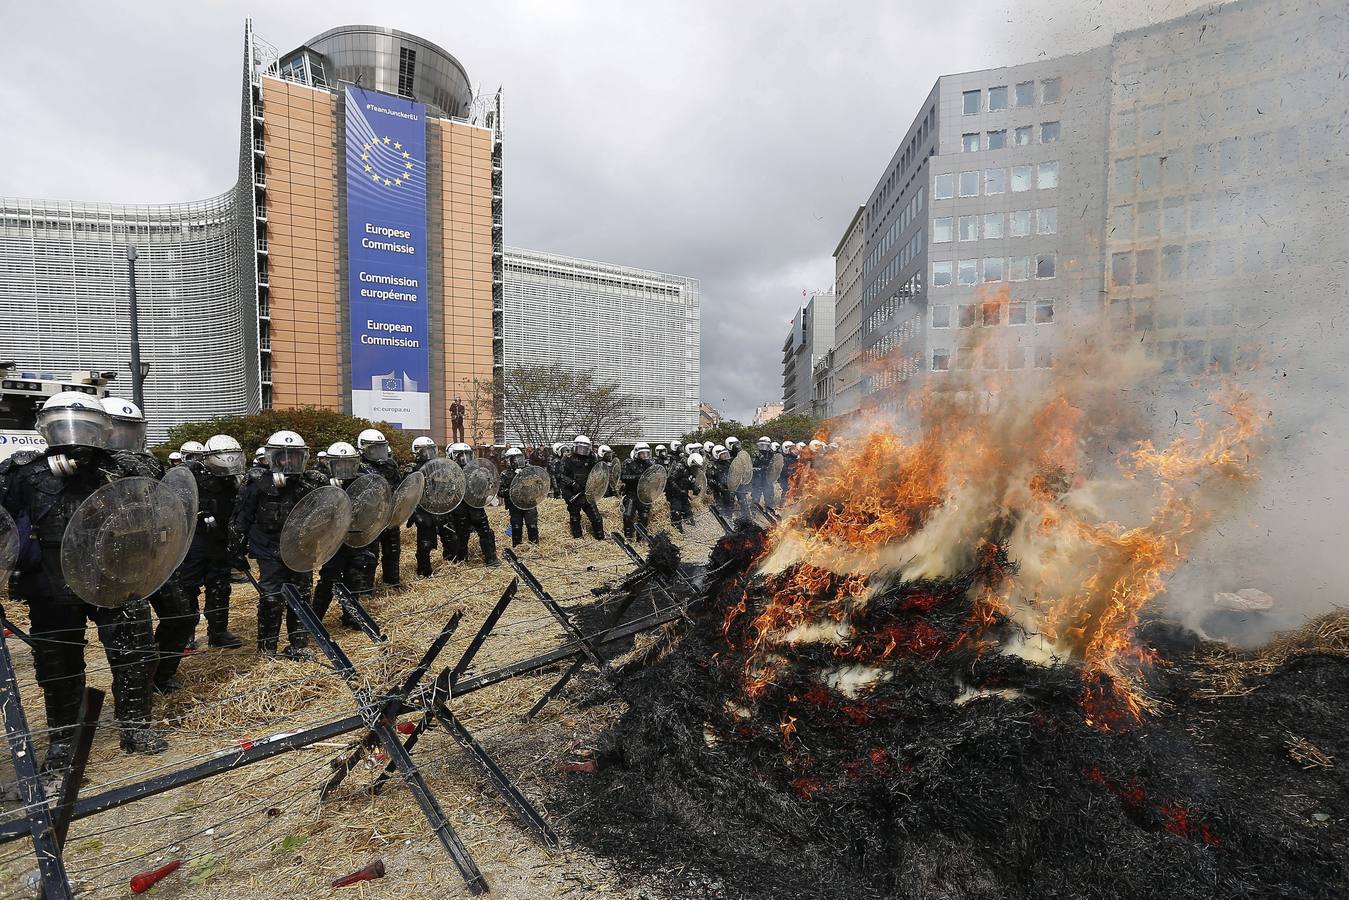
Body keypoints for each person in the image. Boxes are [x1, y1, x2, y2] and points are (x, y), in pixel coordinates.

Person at [1, 392, 167, 761]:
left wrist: (130, 466)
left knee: (135, 654)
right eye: (63, 425)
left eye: (86, 426)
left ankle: (135, 726)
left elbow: (159, 497)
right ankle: (65, 739)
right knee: (57, 663)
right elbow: (4, 526)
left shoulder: (121, 468)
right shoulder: (23, 472)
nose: (74, 434)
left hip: (116, 577)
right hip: (51, 582)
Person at [102, 398, 196, 694]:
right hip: (114, 561)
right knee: (128, 635)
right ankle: (132, 689)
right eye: (117, 429)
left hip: (153, 555)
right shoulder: (88, 467)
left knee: (183, 616)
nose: (123, 437)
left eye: (129, 430)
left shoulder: (150, 464)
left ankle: (161, 675)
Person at [230, 430, 327, 659]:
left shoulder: (310, 483)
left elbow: (326, 515)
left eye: (293, 457)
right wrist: (235, 551)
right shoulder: (257, 483)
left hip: (301, 550)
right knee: (271, 598)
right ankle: (267, 649)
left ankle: (299, 644)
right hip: (269, 548)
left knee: (302, 596)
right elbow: (241, 518)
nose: (288, 462)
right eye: (283, 457)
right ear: (272, 458)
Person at [174, 434, 245, 650]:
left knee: (220, 586)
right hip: (194, 540)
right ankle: (185, 634)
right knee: (188, 587)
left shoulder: (233, 480)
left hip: (221, 539)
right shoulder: (191, 474)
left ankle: (218, 632)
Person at [311, 442, 373, 627]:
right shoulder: (321, 481)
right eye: (339, 463)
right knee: (329, 578)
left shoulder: (362, 481)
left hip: (355, 537)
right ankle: (315, 619)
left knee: (355, 576)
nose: (344, 467)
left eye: (348, 463)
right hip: (333, 540)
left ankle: (351, 617)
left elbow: (373, 506)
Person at [357, 428, 403, 587]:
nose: (378, 452)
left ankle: (392, 583)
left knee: (393, 551)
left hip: (390, 516)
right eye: (373, 449)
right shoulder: (358, 467)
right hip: (370, 519)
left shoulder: (390, 465)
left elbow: (398, 486)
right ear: (363, 449)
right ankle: (366, 590)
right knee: (370, 556)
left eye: (380, 448)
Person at [405, 436, 455, 577]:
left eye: (430, 450)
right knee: (425, 543)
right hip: (423, 510)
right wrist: (414, 513)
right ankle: (424, 571)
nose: (428, 454)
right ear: (416, 452)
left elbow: (448, 486)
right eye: (424, 451)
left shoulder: (440, 467)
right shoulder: (412, 469)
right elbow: (407, 493)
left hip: (440, 508)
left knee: (451, 537)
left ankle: (450, 564)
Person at [447, 443, 500, 566]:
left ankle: (491, 558)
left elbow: (484, 487)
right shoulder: (450, 472)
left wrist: (485, 483)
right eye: (461, 455)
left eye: (467, 455)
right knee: (461, 535)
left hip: (476, 506)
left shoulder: (476, 470)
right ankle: (461, 560)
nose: (464, 458)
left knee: (486, 532)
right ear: (453, 456)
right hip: (459, 508)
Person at [559, 435, 605, 540]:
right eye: (581, 447)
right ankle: (578, 539)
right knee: (575, 518)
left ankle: (600, 539)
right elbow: (561, 475)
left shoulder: (591, 458)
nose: (583, 451)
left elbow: (597, 471)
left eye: (585, 448)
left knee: (596, 518)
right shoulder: (567, 459)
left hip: (587, 492)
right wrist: (572, 483)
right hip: (573, 493)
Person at [498, 447, 540, 546]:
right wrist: (512, 490)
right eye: (514, 459)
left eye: (519, 458)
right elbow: (500, 492)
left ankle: (534, 547)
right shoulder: (505, 474)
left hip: (529, 503)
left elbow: (538, 485)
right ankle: (517, 547)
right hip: (514, 505)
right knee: (516, 526)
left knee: (532, 525)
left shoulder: (529, 470)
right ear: (509, 461)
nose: (517, 461)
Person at [619, 442, 654, 540]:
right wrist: (638, 477)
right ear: (636, 453)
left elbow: (655, 476)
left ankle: (641, 538)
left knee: (644, 517)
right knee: (628, 515)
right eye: (642, 453)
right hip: (632, 493)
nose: (645, 455)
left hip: (644, 494)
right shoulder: (629, 463)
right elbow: (623, 477)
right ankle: (628, 537)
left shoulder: (649, 464)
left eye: (646, 453)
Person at [666, 449, 699, 532]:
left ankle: (692, 531)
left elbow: (689, 481)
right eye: (695, 466)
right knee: (676, 512)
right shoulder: (679, 467)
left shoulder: (692, 469)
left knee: (688, 513)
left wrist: (694, 488)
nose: (696, 468)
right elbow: (670, 480)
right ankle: (677, 532)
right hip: (674, 494)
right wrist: (679, 490)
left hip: (684, 494)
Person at [708, 444, 735, 515]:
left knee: (730, 505)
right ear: (716, 454)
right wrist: (718, 486)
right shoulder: (712, 465)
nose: (725, 455)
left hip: (729, 488)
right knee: (720, 506)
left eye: (725, 453)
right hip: (719, 490)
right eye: (723, 454)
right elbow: (710, 480)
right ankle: (722, 518)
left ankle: (729, 518)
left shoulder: (728, 463)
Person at [750, 436, 775, 510]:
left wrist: (768, 468)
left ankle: (769, 510)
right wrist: (756, 469)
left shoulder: (771, 454)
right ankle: (753, 511)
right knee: (755, 496)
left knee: (769, 495)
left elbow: (774, 465)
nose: (763, 447)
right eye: (761, 445)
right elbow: (750, 465)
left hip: (767, 478)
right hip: (757, 478)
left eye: (765, 445)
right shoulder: (755, 454)